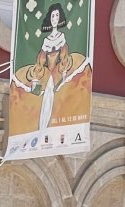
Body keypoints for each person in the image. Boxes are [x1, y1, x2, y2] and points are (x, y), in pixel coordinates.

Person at [32, 3, 72, 132]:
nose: (54, 18)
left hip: (57, 72)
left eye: (57, 15)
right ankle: (42, 127)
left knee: (54, 99)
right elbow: (41, 59)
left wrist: (64, 72)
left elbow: (64, 55)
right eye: (53, 16)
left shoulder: (62, 37)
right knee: (45, 100)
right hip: (47, 74)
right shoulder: (46, 40)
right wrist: (37, 77)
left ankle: (47, 127)